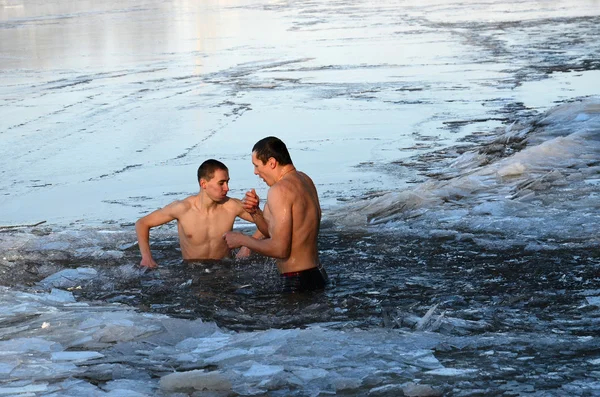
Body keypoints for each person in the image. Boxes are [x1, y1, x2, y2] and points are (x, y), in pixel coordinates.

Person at [223, 136, 328, 292]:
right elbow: (274, 232)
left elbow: (280, 249)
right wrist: (255, 212)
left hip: (298, 280)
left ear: (272, 163)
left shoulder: (279, 190)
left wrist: (243, 239)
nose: (255, 172)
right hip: (317, 274)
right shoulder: (305, 179)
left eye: (257, 166)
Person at [135, 159, 254, 269]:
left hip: (224, 268)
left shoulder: (231, 206)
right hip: (192, 271)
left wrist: (248, 245)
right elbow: (142, 223)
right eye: (221, 183)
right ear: (203, 184)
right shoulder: (183, 209)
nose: (227, 188)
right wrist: (146, 258)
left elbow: (269, 222)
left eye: (227, 182)